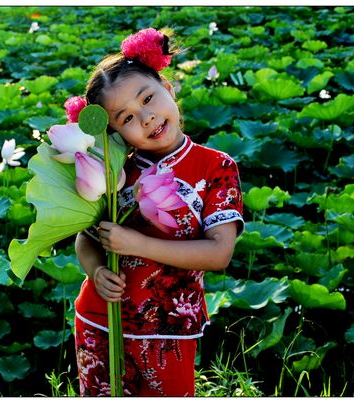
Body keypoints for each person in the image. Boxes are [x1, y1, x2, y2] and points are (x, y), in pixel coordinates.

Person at [71, 28, 244, 396]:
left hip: (168, 329)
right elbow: (84, 238)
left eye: (148, 98)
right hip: (99, 319)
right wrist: (96, 269)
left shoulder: (215, 167)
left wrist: (135, 243)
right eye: (127, 118)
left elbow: (219, 253)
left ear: (167, 86)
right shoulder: (113, 170)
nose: (146, 118)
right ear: (114, 132)